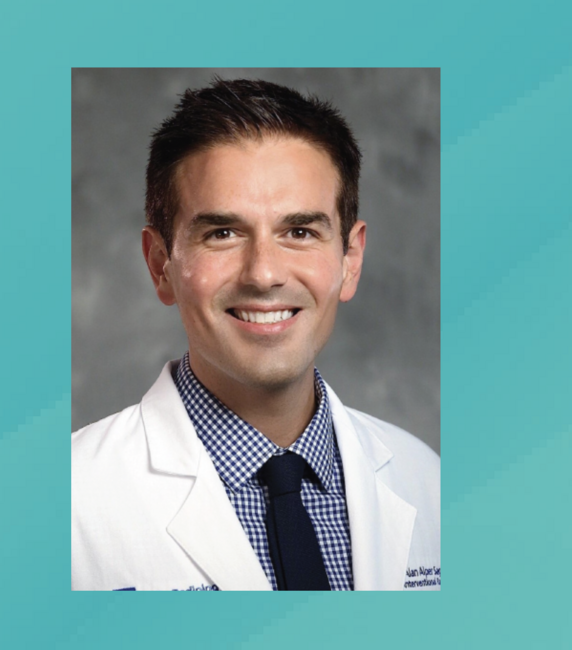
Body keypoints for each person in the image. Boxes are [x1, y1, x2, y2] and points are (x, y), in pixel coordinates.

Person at [71, 78, 440, 591]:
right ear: (161, 265)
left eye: (300, 232)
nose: (264, 274)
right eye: (222, 233)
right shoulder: (70, 501)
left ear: (350, 260)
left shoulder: (428, 482)